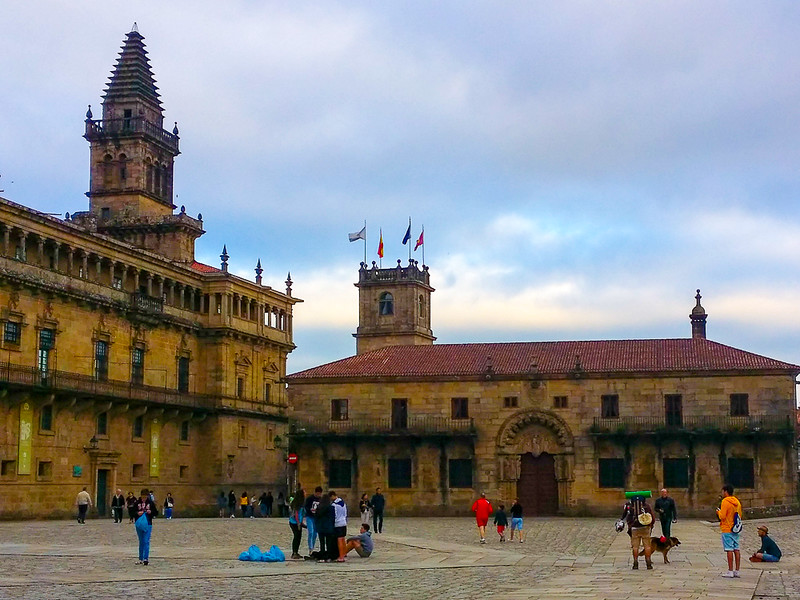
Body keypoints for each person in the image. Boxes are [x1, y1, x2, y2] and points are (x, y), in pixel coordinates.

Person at [621, 495, 655, 569]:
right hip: (645, 528)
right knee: (647, 546)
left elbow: (626, 516)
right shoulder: (646, 506)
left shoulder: (629, 506)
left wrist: (629, 525)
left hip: (634, 528)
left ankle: (635, 563)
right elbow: (652, 516)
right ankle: (648, 562)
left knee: (635, 547)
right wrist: (651, 526)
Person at [717, 484, 743, 578]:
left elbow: (722, 516)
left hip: (727, 528)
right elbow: (740, 514)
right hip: (735, 528)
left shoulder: (725, 501)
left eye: (722, 491)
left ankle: (730, 570)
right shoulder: (737, 501)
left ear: (725, 491)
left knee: (729, 549)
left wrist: (718, 512)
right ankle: (737, 570)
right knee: (736, 549)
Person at [134, 487, 158, 565]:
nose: (144, 498)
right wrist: (137, 513)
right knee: (141, 541)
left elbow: (156, 512)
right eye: (142, 496)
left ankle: (145, 558)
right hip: (139, 524)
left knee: (146, 541)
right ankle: (140, 558)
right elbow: (132, 512)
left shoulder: (150, 503)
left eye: (145, 497)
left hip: (148, 524)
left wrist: (150, 512)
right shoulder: (137, 502)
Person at [314, 492, 336, 562]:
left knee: (322, 542)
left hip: (321, 527)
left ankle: (322, 556)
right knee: (328, 543)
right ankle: (328, 556)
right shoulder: (331, 508)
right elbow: (333, 518)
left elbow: (316, 517)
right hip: (328, 527)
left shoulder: (319, 508)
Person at [304, 486, 323, 554]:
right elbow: (306, 507)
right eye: (318, 493)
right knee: (311, 532)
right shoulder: (310, 498)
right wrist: (309, 511)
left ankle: (313, 546)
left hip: (316, 518)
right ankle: (310, 547)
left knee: (315, 533)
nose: (319, 495)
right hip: (309, 516)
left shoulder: (321, 499)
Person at [288, 490, 306, 559]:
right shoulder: (298, 503)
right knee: (296, 537)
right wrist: (299, 523)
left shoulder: (301, 502)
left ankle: (296, 552)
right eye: (304, 492)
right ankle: (294, 553)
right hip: (294, 522)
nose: (305, 493)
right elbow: (296, 514)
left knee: (298, 537)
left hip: (297, 522)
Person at [331, 490, 348, 562]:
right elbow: (345, 513)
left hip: (337, 524)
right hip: (343, 522)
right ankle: (344, 554)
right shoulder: (343, 503)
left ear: (333, 496)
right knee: (343, 539)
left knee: (339, 541)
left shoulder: (334, 505)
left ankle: (341, 557)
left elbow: (334, 515)